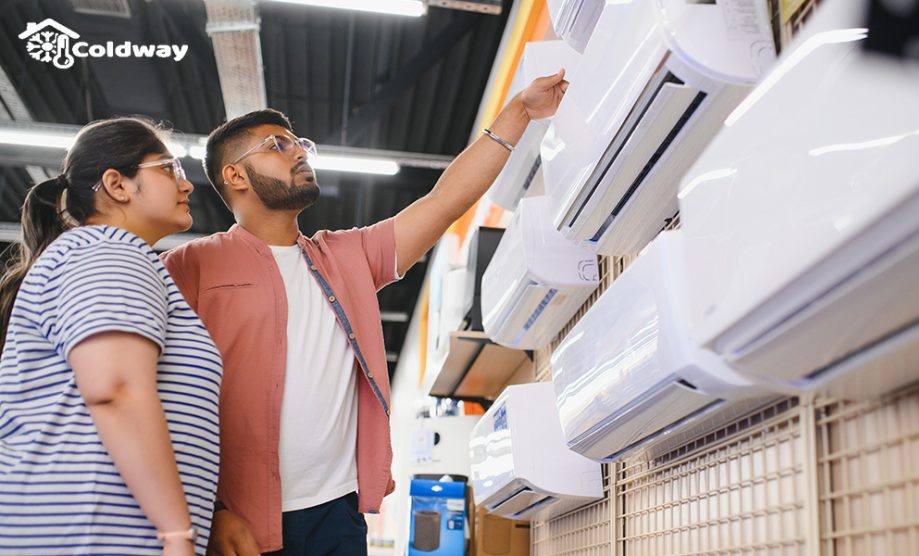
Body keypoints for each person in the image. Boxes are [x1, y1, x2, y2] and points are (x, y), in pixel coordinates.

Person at [161, 69, 569, 555]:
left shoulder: (345, 257)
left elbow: (443, 202)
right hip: (237, 520)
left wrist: (520, 109)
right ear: (234, 176)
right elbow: (158, 395)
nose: (298, 152)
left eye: (299, 144)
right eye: (277, 145)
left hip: (338, 513)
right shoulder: (189, 266)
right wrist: (207, 510)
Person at [0, 118, 222, 555]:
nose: (187, 184)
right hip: (94, 534)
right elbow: (116, 391)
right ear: (117, 185)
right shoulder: (109, 250)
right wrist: (177, 534)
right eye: (169, 168)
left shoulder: (106, 254)